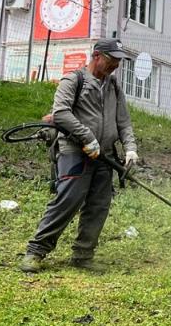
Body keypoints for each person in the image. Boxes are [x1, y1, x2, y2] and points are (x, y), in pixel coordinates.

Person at [19, 38, 139, 272]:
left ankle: (83, 255)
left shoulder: (114, 86)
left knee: (99, 205)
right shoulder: (74, 80)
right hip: (75, 151)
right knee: (68, 200)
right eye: (112, 59)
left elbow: (123, 121)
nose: (116, 64)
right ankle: (36, 251)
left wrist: (130, 148)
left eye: (119, 61)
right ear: (96, 56)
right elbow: (61, 113)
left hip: (104, 155)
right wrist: (87, 137)